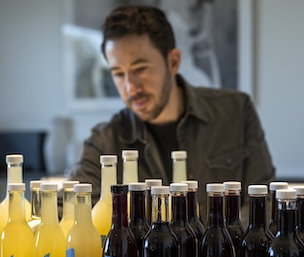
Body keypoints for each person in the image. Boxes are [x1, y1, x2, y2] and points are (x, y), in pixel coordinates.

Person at [67, 5, 275, 225]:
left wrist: (222, 245)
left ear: (173, 62)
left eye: (140, 69)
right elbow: (69, 210)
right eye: (118, 74)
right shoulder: (105, 141)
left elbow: (264, 201)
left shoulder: (236, 112)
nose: (130, 87)